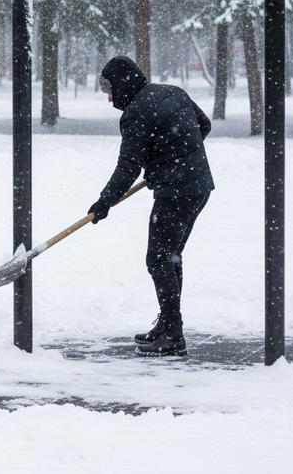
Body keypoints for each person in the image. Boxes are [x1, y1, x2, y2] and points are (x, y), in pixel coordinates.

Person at [89, 55, 214, 358]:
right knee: (169, 258)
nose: (109, 99)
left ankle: (172, 334)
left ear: (122, 85)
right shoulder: (172, 91)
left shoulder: (135, 113)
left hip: (176, 192)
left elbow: (127, 168)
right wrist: (175, 157)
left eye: (109, 89)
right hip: (198, 186)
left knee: (159, 260)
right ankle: (169, 325)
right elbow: (204, 126)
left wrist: (105, 202)